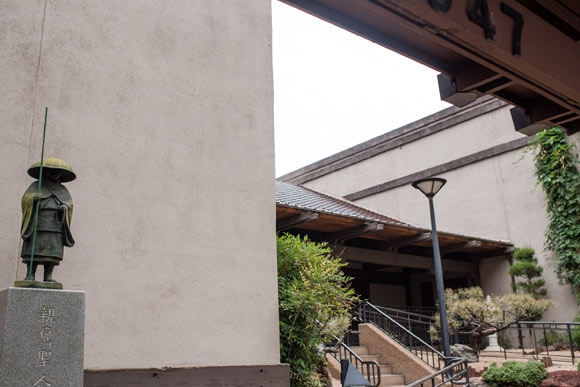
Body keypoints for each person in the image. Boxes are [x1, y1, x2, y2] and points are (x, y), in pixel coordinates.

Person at [20, 158, 76, 283]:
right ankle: (30, 274)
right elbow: (26, 199)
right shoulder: (36, 186)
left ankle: (48, 275)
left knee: (52, 252)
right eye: (52, 171)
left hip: (55, 225)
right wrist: (33, 199)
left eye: (57, 172)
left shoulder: (63, 190)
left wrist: (64, 208)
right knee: (34, 249)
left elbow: (69, 205)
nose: (55, 174)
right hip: (38, 224)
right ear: (45, 172)